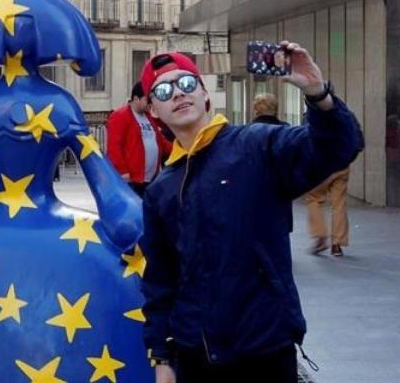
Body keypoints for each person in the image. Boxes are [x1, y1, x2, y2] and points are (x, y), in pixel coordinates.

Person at [138, 47, 363, 383]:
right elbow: (161, 280)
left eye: (186, 82)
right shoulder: (160, 190)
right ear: (154, 110)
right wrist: (162, 355)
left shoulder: (257, 145)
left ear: (204, 93)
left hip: (264, 349)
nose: (179, 93)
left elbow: (340, 146)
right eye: (163, 90)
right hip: (195, 355)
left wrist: (319, 95)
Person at [106, 81, 172, 196]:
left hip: (150, 179)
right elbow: (114, 147)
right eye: (147, 100)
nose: (150, 103)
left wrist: (179, 150)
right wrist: (123, 171)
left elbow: (161, 142)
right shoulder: (120, 116)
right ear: (136, 99)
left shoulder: (149, 117)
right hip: (131, 180)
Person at [306, 167, 351, 257]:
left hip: (322, 166)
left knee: (314, 199)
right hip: (341, 166)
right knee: (339, 204)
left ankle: (320, 235)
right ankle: (337, 244)